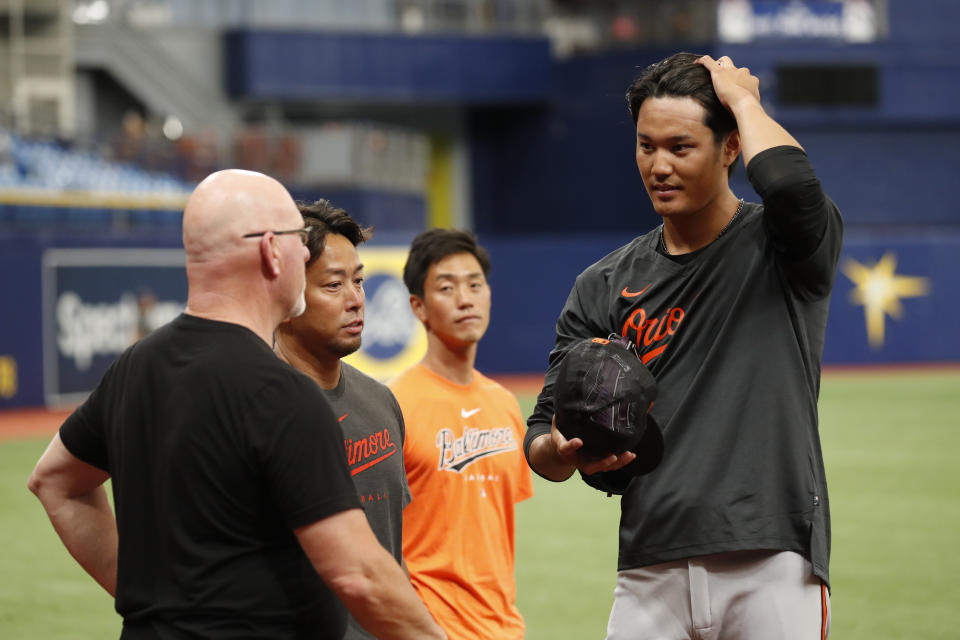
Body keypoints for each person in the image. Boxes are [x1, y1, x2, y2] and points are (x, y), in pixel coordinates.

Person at [27, 169, 445, 640]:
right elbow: (360, 576)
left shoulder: (136, 367)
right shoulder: (282, 394)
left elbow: (55, 481)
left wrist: (150, 603)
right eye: (297, 242)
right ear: (271, 250)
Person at [524, 52, 843, 639]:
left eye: (680, 146)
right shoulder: (603, 284)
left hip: (769, 556)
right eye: (646, 146)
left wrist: (745, 101)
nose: (659, 165)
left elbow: (793, 187)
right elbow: (542, 433)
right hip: (651, 564)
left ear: (730, 149)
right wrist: (561, 452)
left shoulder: (784, 247)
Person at [274, 199, 413, 640]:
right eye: (333, 286)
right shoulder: (259, 412)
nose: (356, 300)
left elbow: (391, 551)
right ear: (286, 294)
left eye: (359, 282)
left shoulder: (381, 403)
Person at [389, 229, 533, 640]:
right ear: (418, 306)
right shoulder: (393, 405)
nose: (465, 299)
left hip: (504, 628)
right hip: (431, 629)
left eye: (474, 284)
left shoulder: (505, 404)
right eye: (447, 287)